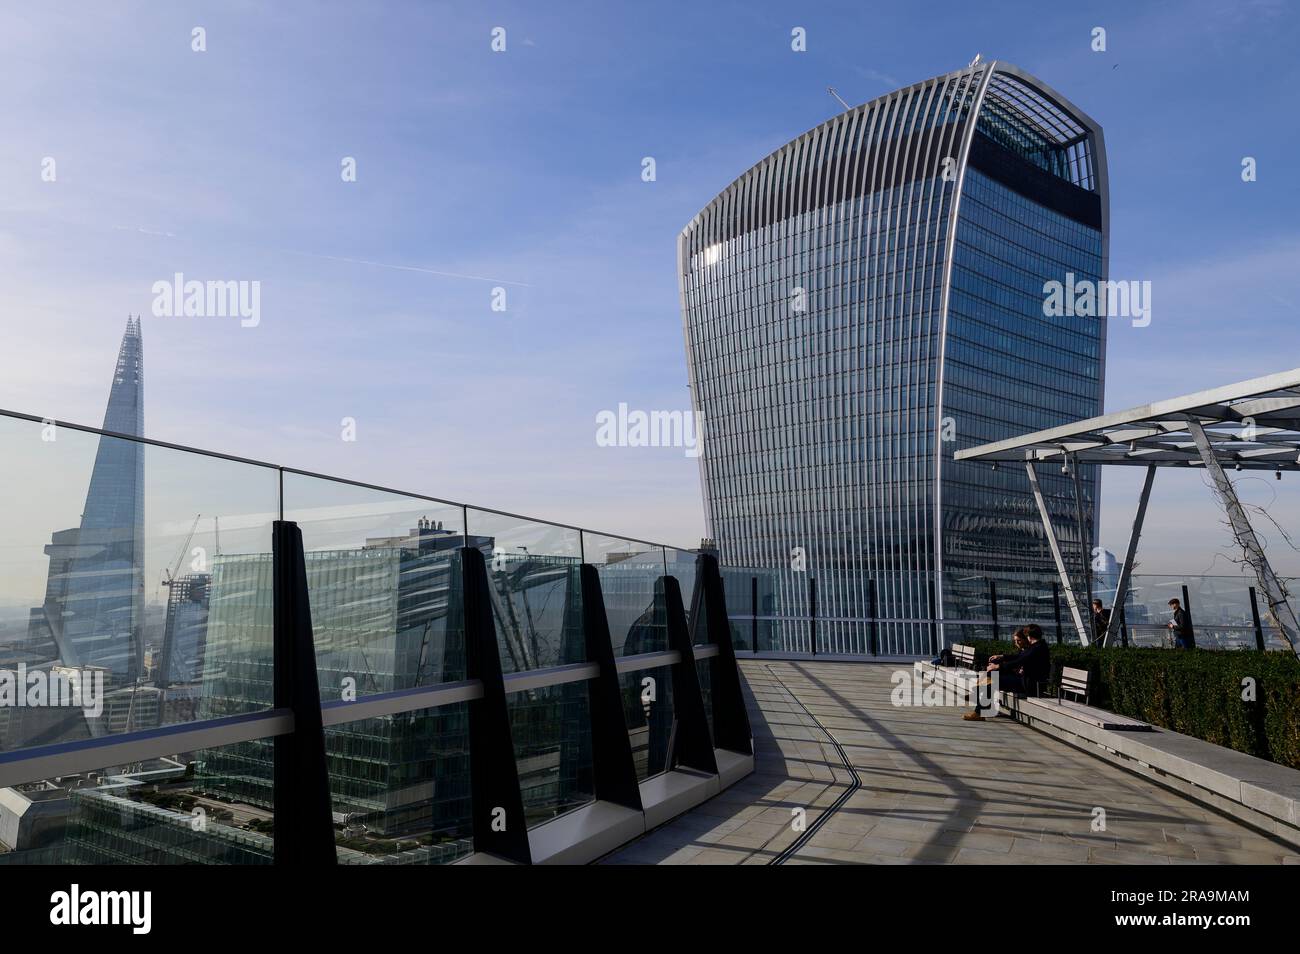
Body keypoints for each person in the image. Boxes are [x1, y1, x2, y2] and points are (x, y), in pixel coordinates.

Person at [963, 624, 1051, 721]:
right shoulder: (1037, 647)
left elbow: (1019, 661)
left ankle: (979, 711)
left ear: (1029, 636)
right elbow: (1019, 657)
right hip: (1026, 680)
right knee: (992, 676)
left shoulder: (1037, 649)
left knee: (992, 681)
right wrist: (1003, 657)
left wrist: (998, 666)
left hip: (1029, 684)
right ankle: (981, 704)